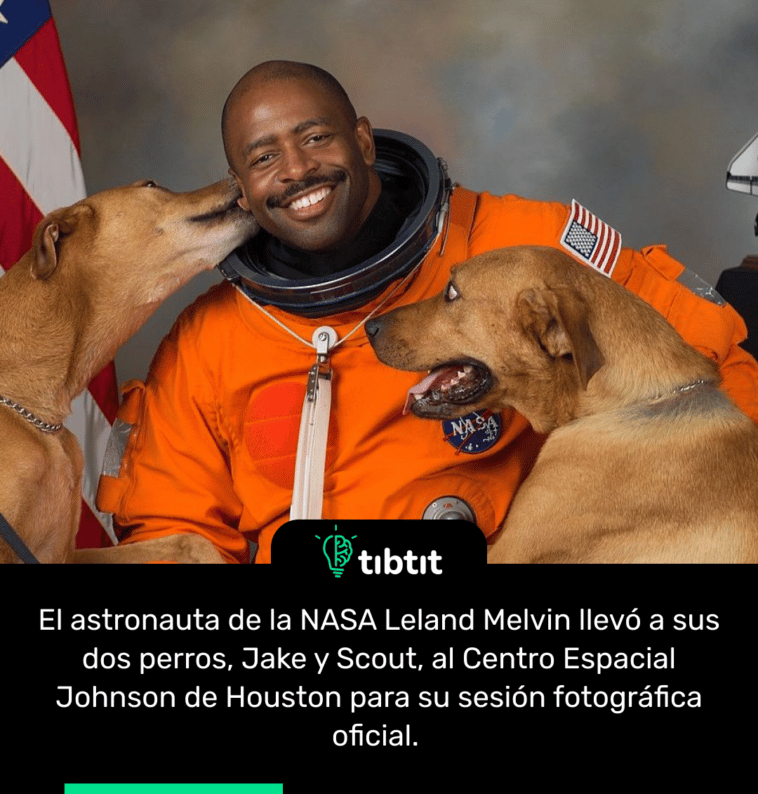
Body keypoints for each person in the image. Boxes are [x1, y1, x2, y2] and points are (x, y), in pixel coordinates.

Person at [96, 60, 758, 563]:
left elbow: (713, 367)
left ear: (362, 140)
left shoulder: (525, 248)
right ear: (241, 189)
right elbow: (171, 533)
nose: (297, 170)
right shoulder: (205, 344)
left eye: (315, 137)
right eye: (265, 158)